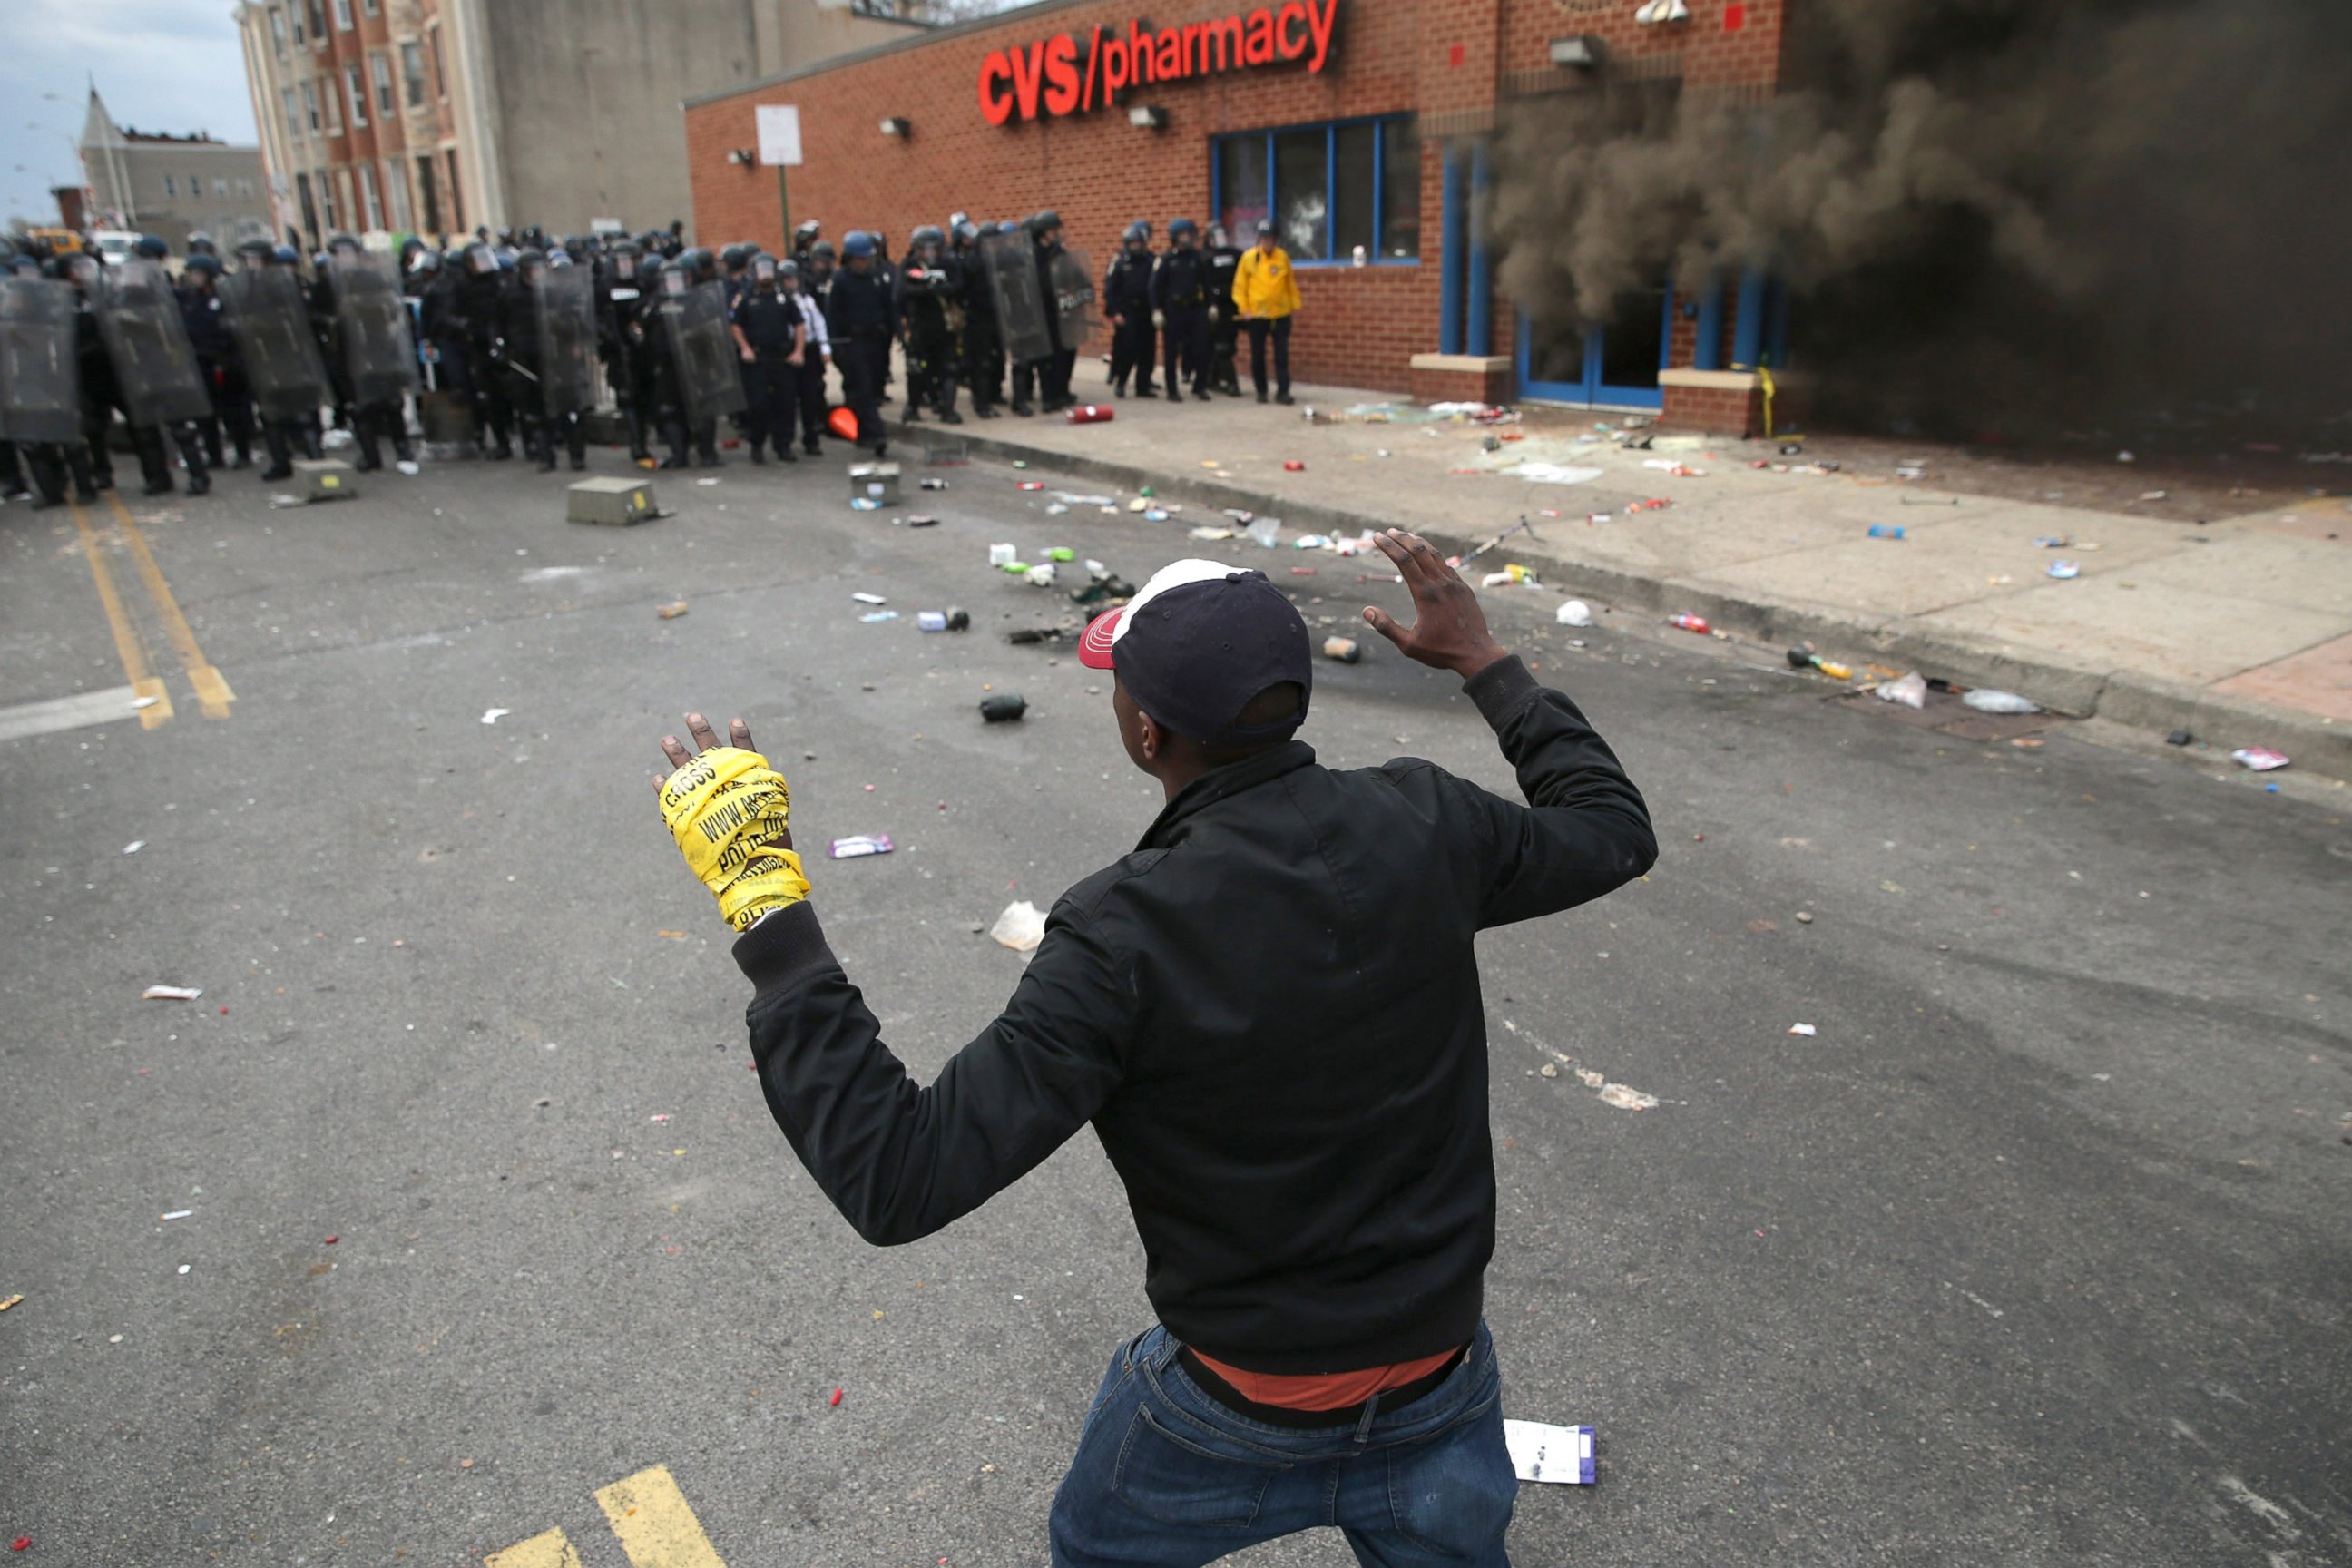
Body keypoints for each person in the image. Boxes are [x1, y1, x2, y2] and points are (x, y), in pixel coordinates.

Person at [650, 530, 1657, 1567]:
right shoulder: (1426, 819)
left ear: (1145, 731)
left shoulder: (1120, 936)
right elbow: (1612, 830)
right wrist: (1486, 661)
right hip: (1439, 1379)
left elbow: (899, 1176)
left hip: (1236, 1405)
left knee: (1098, 1545)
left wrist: (764, 906)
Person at [177, 254, 255, 470]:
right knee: (206, 414)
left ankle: (242, 453)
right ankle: (214, 456)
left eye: (199, 274)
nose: (194, 278)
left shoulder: (224, 297)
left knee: (234, 411)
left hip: (226, 362)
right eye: (192, 274)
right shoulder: (190, 299)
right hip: (202, 362)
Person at [727, 251, 804, 464]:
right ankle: (757, 443)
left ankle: (784, 445)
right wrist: (744, 348)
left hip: (781, 357)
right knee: (759, 404)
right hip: (758, 359)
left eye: (769, 270)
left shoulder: (784, 297)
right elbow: (735, 325)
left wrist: (798, 351)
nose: (766, 275)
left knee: (786, 403)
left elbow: (799, 323)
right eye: (762, 271)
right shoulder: (746, 297)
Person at [825, 231, 892, 457]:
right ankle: (878, 433)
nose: (864, 263)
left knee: (871, 388)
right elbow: (832, 316)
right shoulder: (840, 280)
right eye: (861, 258)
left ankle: (864, 433)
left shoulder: (874, 277)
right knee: (862, 387)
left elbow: (887, 307)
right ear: (851, 258)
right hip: (853, 342)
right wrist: (835, 346)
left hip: (875, 340)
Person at [894, 225, 962, 426]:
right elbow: (901, 292)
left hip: (945, 327)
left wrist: (938, 287)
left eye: (935, 248)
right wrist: (927, 289)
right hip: (920, 327)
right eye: (926, 248)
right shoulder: (909, 265)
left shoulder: (948, 265)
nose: (930, 253)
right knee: (917, 368)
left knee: (949, 368)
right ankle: (912, 407)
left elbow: (958, 286)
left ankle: (948, 409)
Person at [1233, 219, 1300, 405]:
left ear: (1275, 239)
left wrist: (1294, 305)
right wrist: (1244, 309)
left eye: (1270, 238)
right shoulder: (1249, 258)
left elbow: (1290, 284)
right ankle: (1261, 390)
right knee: (1258, 355)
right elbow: (1240, 287)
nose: (1267, 242)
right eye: (1263, 238)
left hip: (1280, 314)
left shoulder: (1282, 257)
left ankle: (1283, 391)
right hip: (1257, 315)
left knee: (1281, 355)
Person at [1151, 218, 1214, 403]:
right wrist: (1157, 310)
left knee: (1201, 347)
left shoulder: (1198, 257)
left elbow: (1207, 284)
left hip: (1195, 308)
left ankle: (1200, 386)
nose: (1187, 238)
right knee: (1171, 351)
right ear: (1175, 237)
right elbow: (1154, 288)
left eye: (1189, 235)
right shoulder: (1165, 259)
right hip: (1173, 309)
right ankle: (1172, 389)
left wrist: (1211, 305)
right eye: (1183, 235)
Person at [951, 220, 1003, 418]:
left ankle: (985, 398)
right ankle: (981, 403)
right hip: (977, 318)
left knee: (987, 360)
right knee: (981, 362)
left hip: (988, 316)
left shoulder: (987, 260)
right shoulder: (974, 262)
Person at [1029, 211, 1078, 413]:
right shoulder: (1034, 254)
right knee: (1045, 357)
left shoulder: (1059, 252)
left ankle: (1062, 391)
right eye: (1052, 230)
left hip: (1061, 310)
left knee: (1064, 353)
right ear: (1042, 232)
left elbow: (1073, 274)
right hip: (1042, 311)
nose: (1056, 233)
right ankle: (1048, 396)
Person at [1103, 222, 1158, 398]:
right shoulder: (1119, 262)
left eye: (1138, 242)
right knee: (1128, 350)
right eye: (1131, 243)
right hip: (1127, 312)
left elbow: (1158, 286)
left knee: (1147, 351)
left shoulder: (1151, 260)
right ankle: (1121, 383)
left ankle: (1143, 386)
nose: (1135, 246)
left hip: (1147, 311)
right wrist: (1114, 312)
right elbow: (1110, 290)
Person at [785, 259, 830, 457]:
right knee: (787, 399)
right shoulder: (782, 302)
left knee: (810, 398)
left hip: (810, 351)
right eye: (787, 279)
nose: (791, 283)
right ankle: (785, 441)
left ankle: (811, 438)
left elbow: (819, 323)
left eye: (793, 279)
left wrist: (824, 347)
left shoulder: (807, 300)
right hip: (789, 351)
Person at [1204, 223, 1245, 397]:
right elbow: (1205, 284)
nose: (1220, 240)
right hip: (1216, 308)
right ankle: (1232, 383)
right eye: (1216, 237)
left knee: (1229, 345)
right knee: (1221, 346)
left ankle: (1212, 379)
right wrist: (1210, 303)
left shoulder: (1236, 254)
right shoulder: (1205, 257)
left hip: (1233, 306)